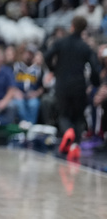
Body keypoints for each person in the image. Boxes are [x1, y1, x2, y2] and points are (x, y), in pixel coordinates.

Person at [45, 16, 101, 161]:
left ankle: (68, 132)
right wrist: (95, 83)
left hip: (62, 85)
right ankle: (75, 146)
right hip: (79, 85)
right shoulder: (85, 47)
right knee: (78, 117)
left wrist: (54, 69)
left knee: (64, 115)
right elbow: (95, 69)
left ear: (72, 26)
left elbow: (47, 56)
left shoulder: (60, 43)